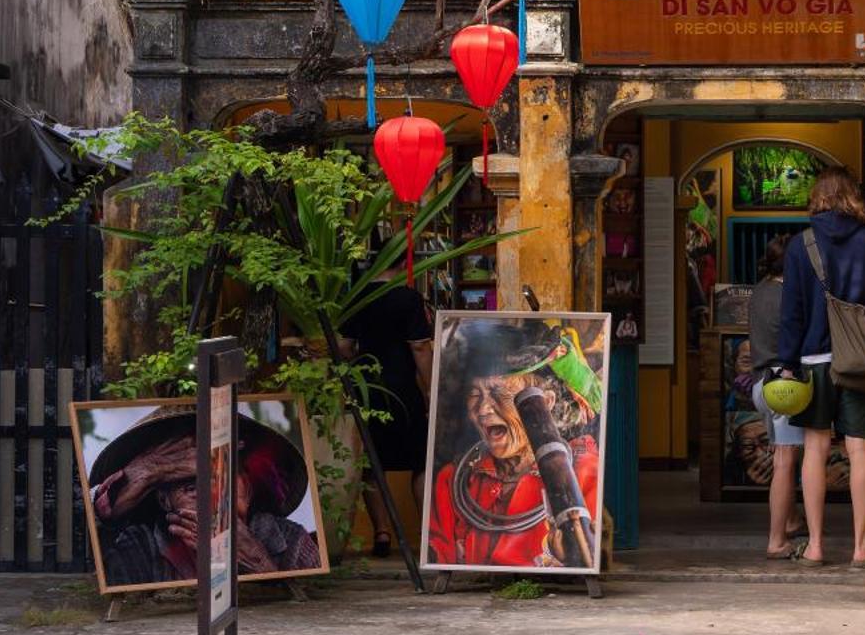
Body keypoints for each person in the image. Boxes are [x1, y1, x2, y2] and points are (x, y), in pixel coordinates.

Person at [777, 167, 865, 566]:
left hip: (812, 360)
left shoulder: (800, 246)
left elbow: (792, 310)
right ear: (854, 198)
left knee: (815, 448)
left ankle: (814, 544)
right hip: (861, 362)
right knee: (859, 449)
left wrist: (787, 363)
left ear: (818, 197)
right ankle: (862, 545)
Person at [89, 411, 322, 587]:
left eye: (224, 479)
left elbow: (301, 610)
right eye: (192, 488)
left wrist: (255, 560)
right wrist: (147, 469)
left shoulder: (291, 540)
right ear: (165, 501)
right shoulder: (140, 545)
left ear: (249, 487)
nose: (214, 500)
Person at [428, 372, 601, 567]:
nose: (483, 409)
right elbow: (441, 552)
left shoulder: (582, 473)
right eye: (474, 394)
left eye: (500, 391)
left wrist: (569, 561)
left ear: (546, 402)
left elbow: (587, 553)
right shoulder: (453, 480)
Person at [338, 247, 434, 557]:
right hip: (404, 390)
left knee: (372, 465)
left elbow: (344, 346)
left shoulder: (358, 298)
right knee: (419, 463)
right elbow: (420, 347)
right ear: (404, 264)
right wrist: (431, 390)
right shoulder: (408, 299)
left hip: (367, 392)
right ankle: (428, 535)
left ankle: (381, 533)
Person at [746, 234, 805, 560]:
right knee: (785, 460)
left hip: (760, 386)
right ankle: (776, 540)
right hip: (783, 386)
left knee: (787, 456)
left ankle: (792, 519)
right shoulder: (790, 295)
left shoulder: (758, 291)